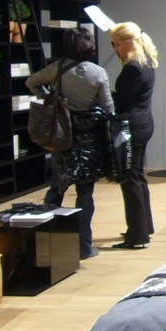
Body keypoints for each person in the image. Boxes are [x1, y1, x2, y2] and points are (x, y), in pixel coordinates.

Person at [26, 27, 113, 259]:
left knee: (56, 188)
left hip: (62, 137)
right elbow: (108, 108)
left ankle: (47, 243)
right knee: (85, 193)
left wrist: (49, 98)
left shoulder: (57, 68)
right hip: (89, 139)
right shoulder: (98, 72)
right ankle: (84, 246)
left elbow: (31, 82)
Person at [109, 21, 158, 249]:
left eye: (117, 44)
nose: (115, 49)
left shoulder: (133, 68)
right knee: (138, 175)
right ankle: (144, 226)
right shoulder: (147, 62)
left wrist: (105, 95)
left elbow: (122, 101)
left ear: (129, 42)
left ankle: (137, 235)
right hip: (143, 124)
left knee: (129, 179)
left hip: (132, 127)